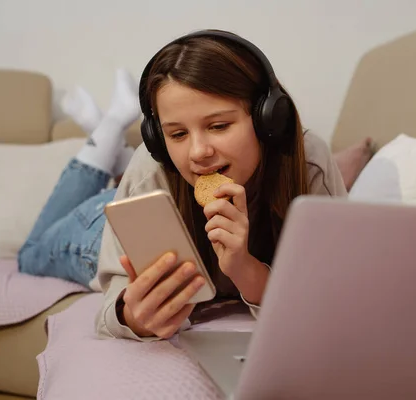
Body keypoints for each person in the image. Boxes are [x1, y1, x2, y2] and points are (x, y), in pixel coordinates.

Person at [94, 29, 348, 341]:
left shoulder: (308, 161)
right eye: (177, 134)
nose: (199, 152)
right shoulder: (150, 170)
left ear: (267, 120)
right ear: (158, 140)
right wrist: (134, 317)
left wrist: (243, 266)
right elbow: (113, 302)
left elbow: (331, 299)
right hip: (89, 229)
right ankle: (99, 146)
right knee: (42, 250)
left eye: (218, 126)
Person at [17, 69, 139, 288]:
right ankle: (108, 128)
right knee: (31, 255)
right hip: (113, 227)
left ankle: (107, 130)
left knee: (30, 256)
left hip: (114, 223)